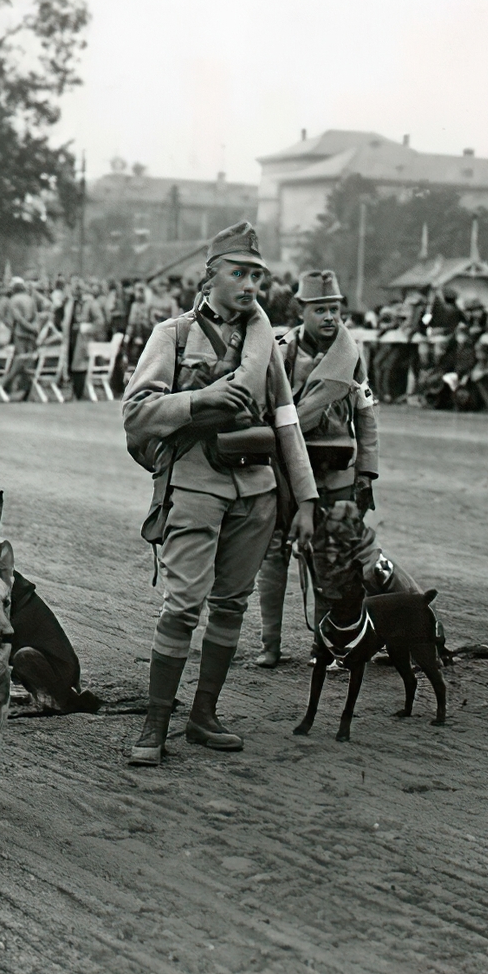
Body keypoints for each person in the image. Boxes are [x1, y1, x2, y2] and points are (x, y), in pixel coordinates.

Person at [121, 222, 318, 765]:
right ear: (210, 277)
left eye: (257, 274)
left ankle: (204, 715)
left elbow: (286, 422)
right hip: (195, 482)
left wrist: (305, 499)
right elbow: (135, 412)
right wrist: (199, 398)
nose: (251, 284)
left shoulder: (265, 344)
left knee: (232, 603)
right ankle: (156, 722)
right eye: (239, 272)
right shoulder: (173, 335)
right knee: (183, 605)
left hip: (255, 487)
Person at [253, 269, 379, 667]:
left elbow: (366, 416)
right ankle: (269, 645)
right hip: (287, 471)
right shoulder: (281, 350)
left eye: (335, 310)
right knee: (273, 559)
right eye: (320, 309)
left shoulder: (351, 355)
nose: (329, 318)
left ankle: (326, 646)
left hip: (338, 473)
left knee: (334, 560)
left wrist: (367, 474)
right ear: (301, 311)